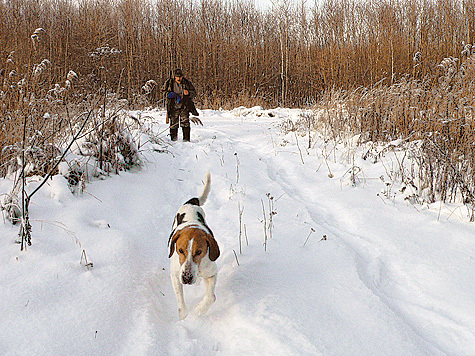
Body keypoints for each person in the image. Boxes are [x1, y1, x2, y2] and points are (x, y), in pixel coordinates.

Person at [162, 68, 199, 142]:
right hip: (173, 107)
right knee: (173, 124)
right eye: (177, 77)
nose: (179, 78)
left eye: (180, 77)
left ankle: (186, 141)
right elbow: (163, 92)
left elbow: (194, 93)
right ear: (174, 76)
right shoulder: (169, 83)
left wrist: (188, 93)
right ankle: (173, 141)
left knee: (185, 124)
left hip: (184, 106)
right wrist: (169, 94)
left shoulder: (187, 83)